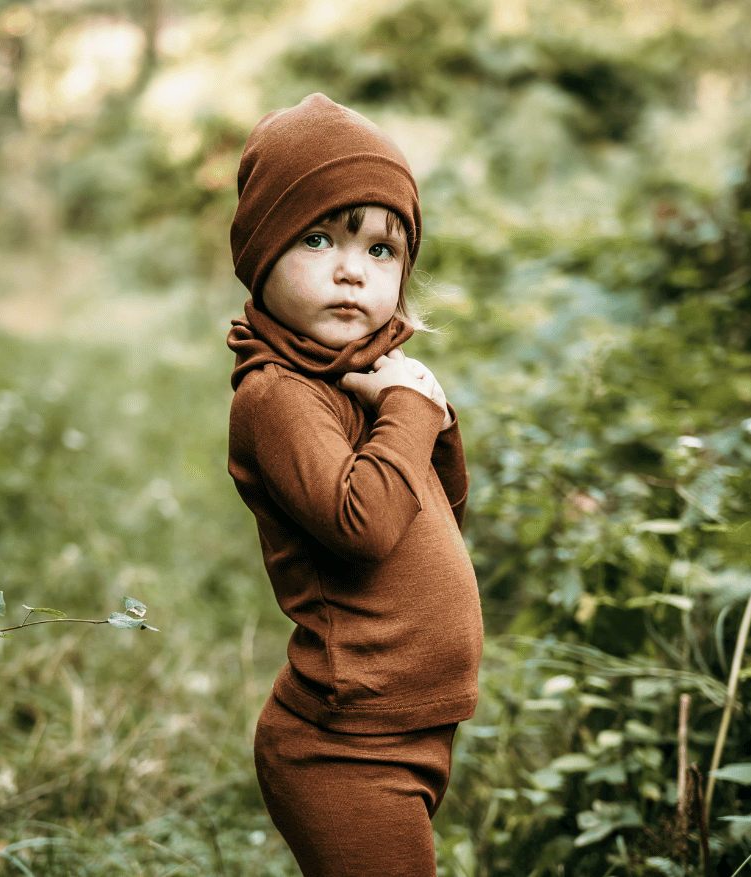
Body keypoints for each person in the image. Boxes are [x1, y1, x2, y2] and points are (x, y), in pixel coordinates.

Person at [225, 93, 484, 877]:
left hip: (404, 730)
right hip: (339, 747)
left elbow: (437, 509)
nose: (351, 270)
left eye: (381, 250)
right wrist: (409, 404)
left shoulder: (357, 379)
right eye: (317, 238)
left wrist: (421, 400)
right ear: (262, 252)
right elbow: (363, 523)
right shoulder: (277, 393)